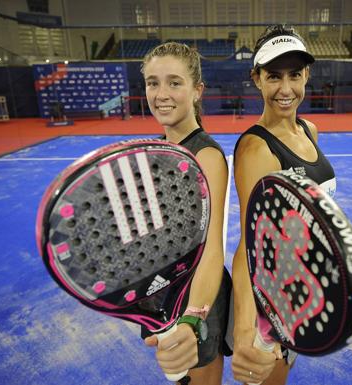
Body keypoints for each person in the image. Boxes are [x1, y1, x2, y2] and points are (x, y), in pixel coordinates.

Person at [231, 25, 336, 385]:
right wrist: (246, 329)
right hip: (270, 301)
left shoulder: (309, 130)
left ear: (307, 74)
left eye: (295, 75)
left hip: (300, 291)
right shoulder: (256, 149)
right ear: (256, 79)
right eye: (274, 76)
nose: (286, 89)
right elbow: (249, 244)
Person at [140, 41, 231, 385]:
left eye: (174, 82)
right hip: (161, 295)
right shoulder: (155, 150)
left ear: (197, 91)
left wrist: (193, 318)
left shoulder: (205, 156)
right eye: (153, 82)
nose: (161, 93)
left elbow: (211, 252)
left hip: (196, 298)